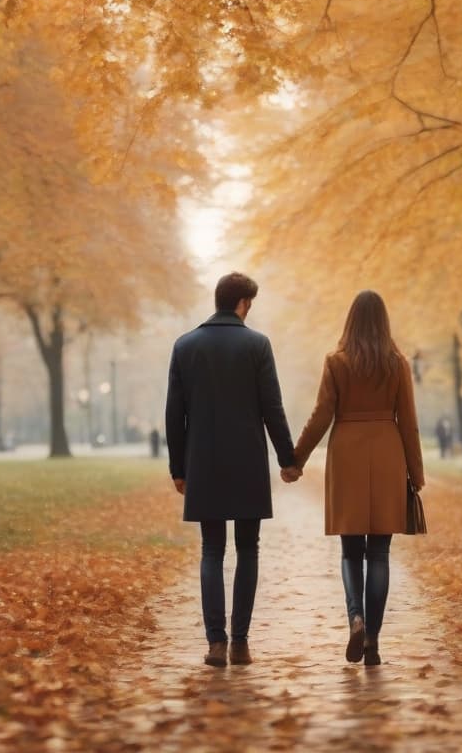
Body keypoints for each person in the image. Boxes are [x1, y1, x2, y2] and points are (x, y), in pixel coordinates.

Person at [165, 272, 301, 668]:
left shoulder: (185, 346)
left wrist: (178, 467)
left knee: (211, 550)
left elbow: (175, 413)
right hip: (246, 462)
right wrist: (287, 459)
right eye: (250, 303)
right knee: (247, 549)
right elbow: (271, 407)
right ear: (243, 303)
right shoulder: (257, 345)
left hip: (203, 461)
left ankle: (215, 644)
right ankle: (240, 642)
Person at [293, 290, 424, 667]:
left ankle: (356, 617)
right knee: (379, 553)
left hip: (347, 453)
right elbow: (409, 422)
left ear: (350, 321)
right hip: (387, 452)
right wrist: (415, 473)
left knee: (351, 551)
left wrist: (296, 459)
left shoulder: (336, 362)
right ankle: (373, 643)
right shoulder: (397, 364)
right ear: (384, 322)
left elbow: (321, 415)